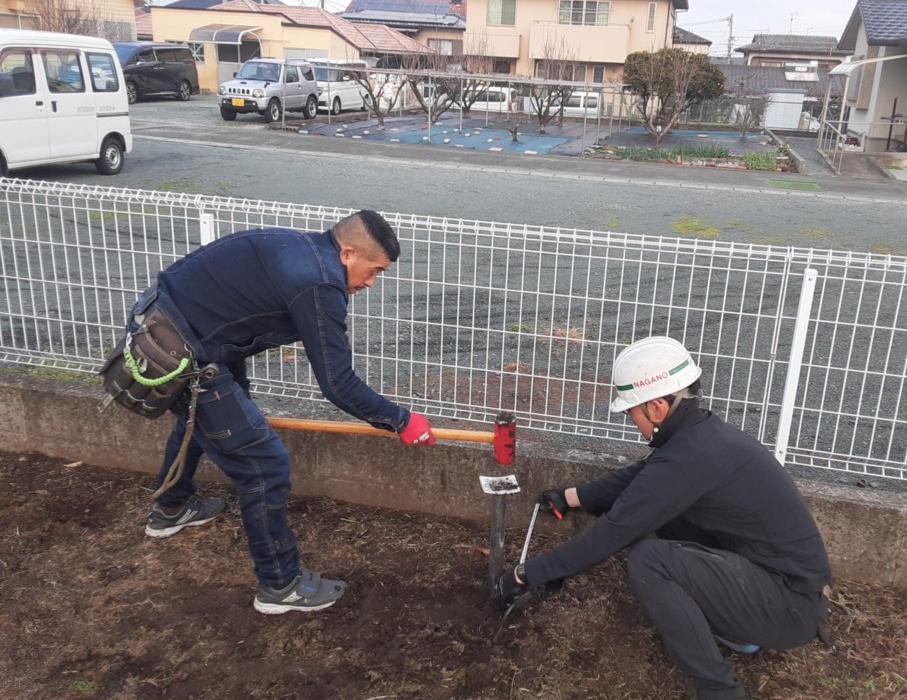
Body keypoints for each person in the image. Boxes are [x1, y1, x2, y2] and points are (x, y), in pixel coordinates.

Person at [130, 210, 436, 614]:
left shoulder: (302, 246)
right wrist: (401, 420)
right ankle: (279, 585)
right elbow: (338, 384)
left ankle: (171, 508)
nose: (371, 283)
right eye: (373, 270)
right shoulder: (319, 284)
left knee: (204, 419)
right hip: (179, 348)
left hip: (170, 323)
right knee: (265, 467)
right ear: (348, 253)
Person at [497, 336, 832, 700]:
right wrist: (570, 497)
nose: (632, 422)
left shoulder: (691, 456)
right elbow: (642, 479)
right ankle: (738, 627)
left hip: (787, 607)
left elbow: (612, 534)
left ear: (656, 408)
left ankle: (720, 690)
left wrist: (527, 574)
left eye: (631, 413)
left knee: (651, 560)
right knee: (664, 518)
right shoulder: (700, 438)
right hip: (778, 586)